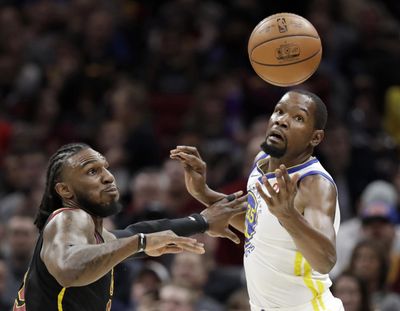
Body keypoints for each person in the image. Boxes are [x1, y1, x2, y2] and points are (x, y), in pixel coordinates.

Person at [13, 142, 247, 311]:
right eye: (92, 171)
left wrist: (201, 221)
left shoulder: (96, 237)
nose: (107, 177)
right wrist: (141, 243)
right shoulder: (68, 218)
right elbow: (69, 267)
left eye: (105, 167)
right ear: (65, 190)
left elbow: (135, 232)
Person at [171, 89, 344, 310]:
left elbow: (325, 259)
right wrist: (203, 193)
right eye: (279, 112)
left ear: (315, 137)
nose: (282, 121)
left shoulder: (314, 184)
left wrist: (288, 216)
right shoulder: (261, 161)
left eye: (298, 118)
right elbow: (257, 226)